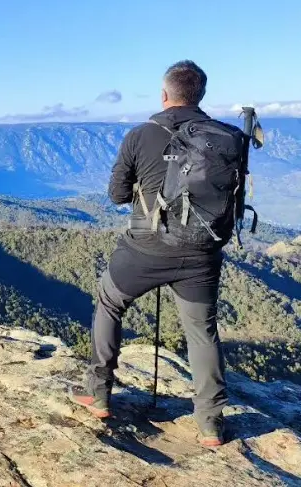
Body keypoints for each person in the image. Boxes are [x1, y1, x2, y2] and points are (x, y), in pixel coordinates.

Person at [71, 60, 229, 448]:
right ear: (200, 95)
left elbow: (117, 195)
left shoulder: (140, 135)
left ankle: (100, 392)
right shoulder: (225, 137)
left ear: (164, 94)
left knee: (109, 301)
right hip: (201, 253)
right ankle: (209, 422)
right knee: (202, 332)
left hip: (145, 250)